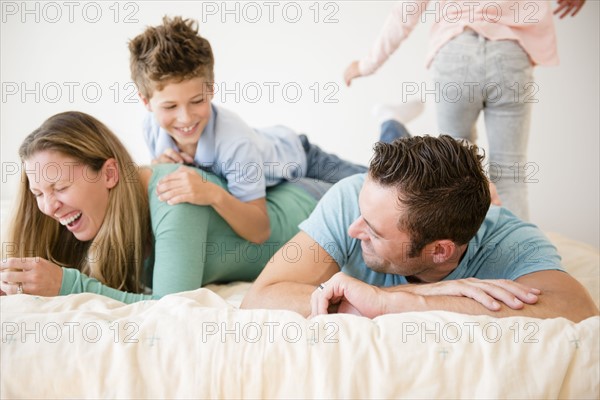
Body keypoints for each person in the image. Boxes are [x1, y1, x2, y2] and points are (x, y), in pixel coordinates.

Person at [241, 135, 598, 323]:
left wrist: (392, 303)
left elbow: (577, 308)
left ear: (440, 251)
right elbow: (260, 298)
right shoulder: (351, 198)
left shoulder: (510, 241)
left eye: (375, 232)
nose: (354, 229)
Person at [0, 111, 327, 303]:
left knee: (375, 174)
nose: (50, 206)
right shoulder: (95, 216)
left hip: (314, 204)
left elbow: (171, 308)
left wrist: (67, 285)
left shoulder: (174, 195)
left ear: (110, 174)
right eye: (38, 193)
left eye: (60, 187)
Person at [130, 16, 387, 245]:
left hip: (301, 157)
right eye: (170, 106)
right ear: (146, 102)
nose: (185, 117)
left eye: (197, 101)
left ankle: (390, 122)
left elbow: (260, 231)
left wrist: (212, 194)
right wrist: (161, 166)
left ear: (210, 90)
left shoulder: (234, 143)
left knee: (384, 187)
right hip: (267, 157)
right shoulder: (151, 128)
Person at [343, 0, 586, 221]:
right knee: (510, 173)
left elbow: (407, 10)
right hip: (510, 54)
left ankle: (463, 259)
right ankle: (519, 261)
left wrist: (367, 64)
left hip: (455, 53)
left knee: (455, 173)